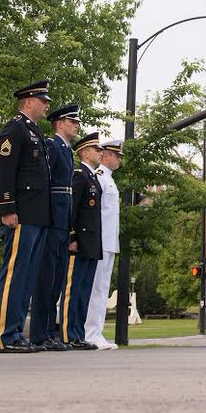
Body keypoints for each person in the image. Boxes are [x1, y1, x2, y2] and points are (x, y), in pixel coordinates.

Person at [0, 80, 53, 352]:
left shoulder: (35, 131)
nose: (47, 105)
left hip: (36, 215)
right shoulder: (15, 127)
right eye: (43, 100)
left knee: (27, 276)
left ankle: (17, 332)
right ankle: (6, 335)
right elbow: (5, 169)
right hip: (20, 214)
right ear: (28, 101)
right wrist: (7, 207)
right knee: (15, 274)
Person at [28, 103, 79, 351]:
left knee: (57, 278)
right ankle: (39, 333)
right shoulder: (51, 145)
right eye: (72, 121)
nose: (76, 125)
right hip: (52, 217)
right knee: (46, 278)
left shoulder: (67, 150)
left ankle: (49, 332)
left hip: (62, 217)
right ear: (60, 123)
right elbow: (47, 183)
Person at [62, 133, 103, 350]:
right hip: (80, 241)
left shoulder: (93, 177)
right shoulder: (79, 176)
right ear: (85, 152)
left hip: (91, 242)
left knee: (84, 289)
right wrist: (72, 236)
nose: (100, 153)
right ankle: (69, 334)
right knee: (74, 289)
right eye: (97, 150)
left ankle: (78, 333)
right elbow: (73, 209)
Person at [84, 138, 122, 350]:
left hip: (109, 242)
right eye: (116, 155)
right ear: (106, 155)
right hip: (99, 241)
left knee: (102, 290)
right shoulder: (98, 178)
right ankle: (90, 333)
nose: (118, 160)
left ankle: (96, 332)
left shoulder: (110, 180)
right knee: (95, 289)